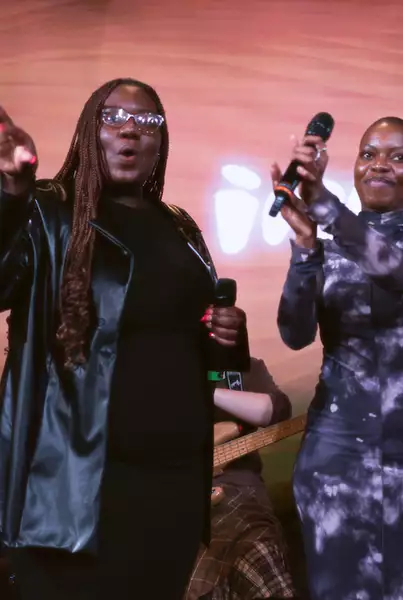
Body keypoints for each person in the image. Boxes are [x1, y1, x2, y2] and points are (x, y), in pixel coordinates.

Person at [0, 78, 248, 600]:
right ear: (89, 131)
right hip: (81, 487)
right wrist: (10, 196)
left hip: (175, 480)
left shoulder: (178, 225)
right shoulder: (49, 211)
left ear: (162, 142)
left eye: (148, 121)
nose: (131, 129)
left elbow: (208, 359)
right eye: (113, 117)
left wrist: (226, 337)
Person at [274, 116, 403, 599]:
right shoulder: (327, 247)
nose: (379, 164)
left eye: (399, 157)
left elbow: (399, 271)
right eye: (368, 153)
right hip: (337, 453)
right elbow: (294, 334)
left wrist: (322, 204)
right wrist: (304, 251)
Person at [185, 357, 297, 600]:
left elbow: (276, 409)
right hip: (171, 502)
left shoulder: (245, 367)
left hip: (238, 493)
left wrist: (208, 390)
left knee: (256, 547)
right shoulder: (144, 372)